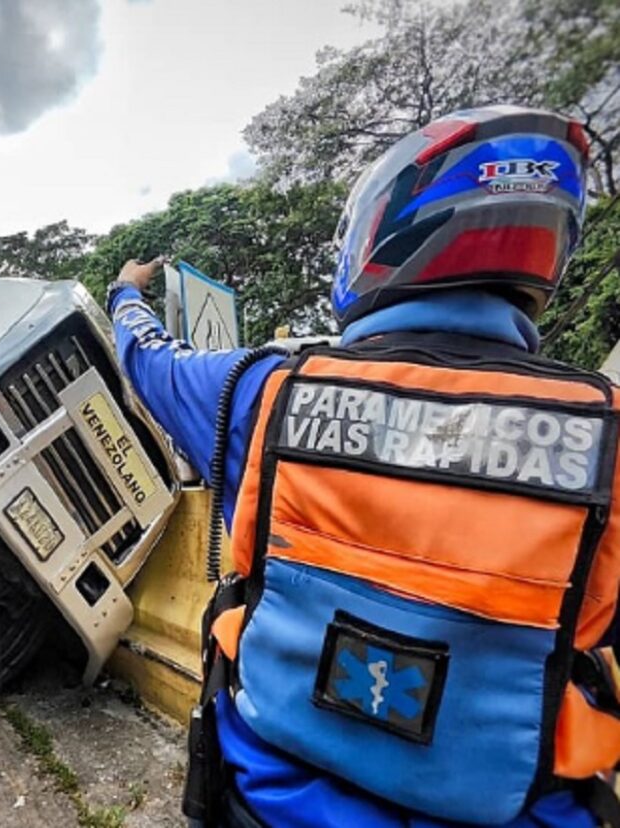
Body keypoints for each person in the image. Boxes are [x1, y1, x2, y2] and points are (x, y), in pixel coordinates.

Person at [106, 106, 618, 827]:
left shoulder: (264, 394)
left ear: (381, 234)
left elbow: (150, 360)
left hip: (262, 803)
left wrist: (125, 293)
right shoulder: (603, 436)